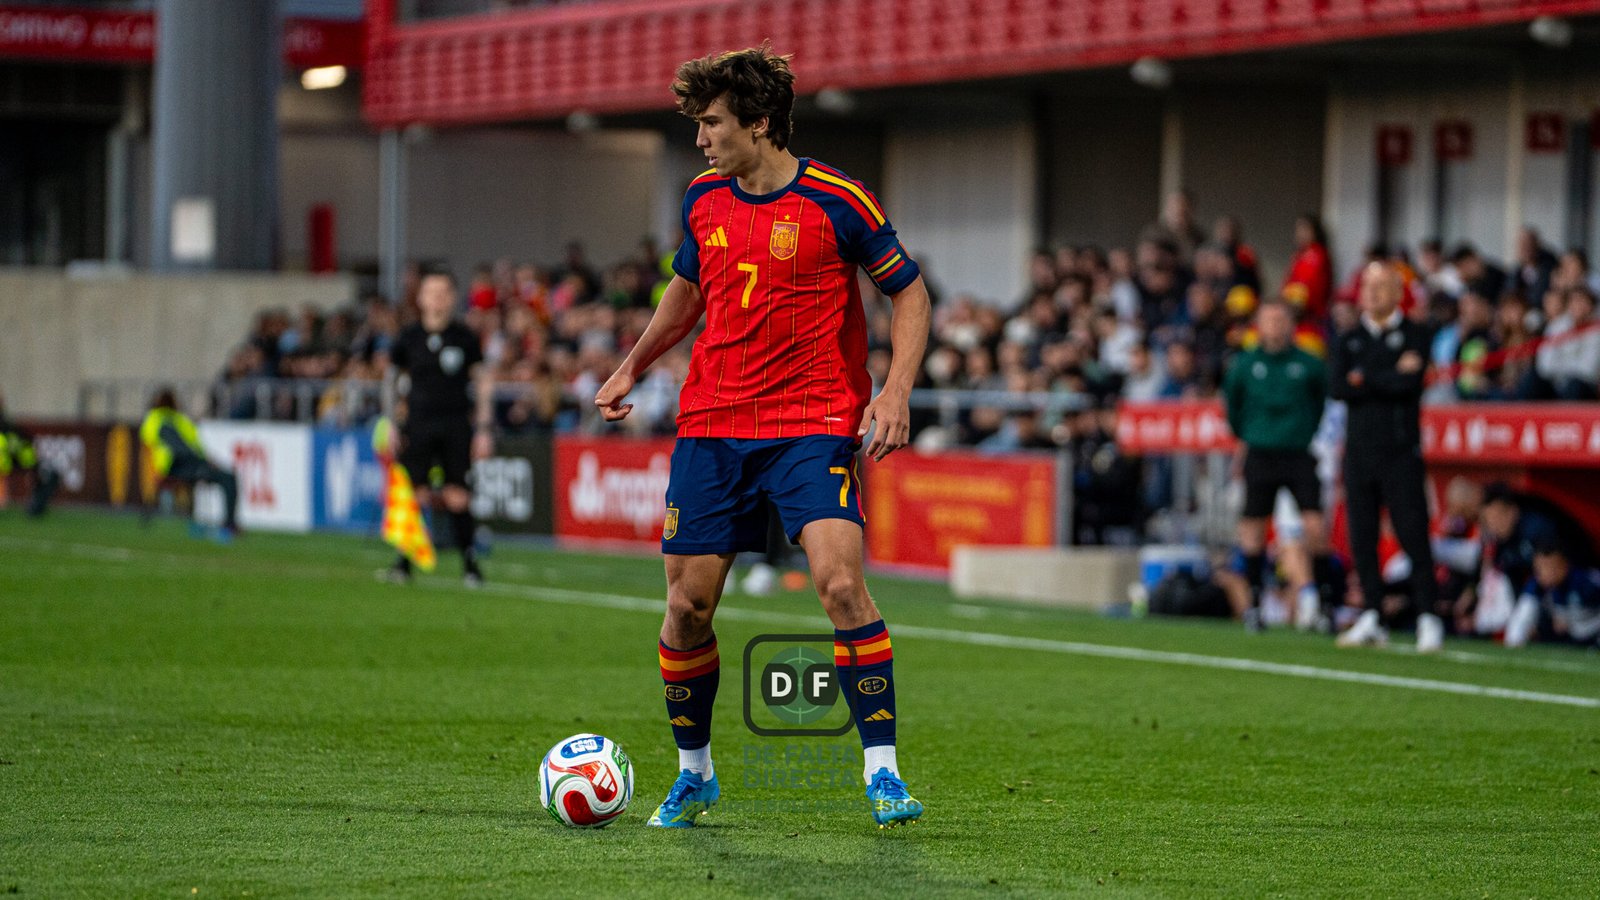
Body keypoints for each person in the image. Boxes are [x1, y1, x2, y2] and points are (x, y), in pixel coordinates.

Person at [593, 45, 930, 830]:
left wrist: (895, 392)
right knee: (687, 607)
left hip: (811, 423)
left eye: (712, 123)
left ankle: (882, 772)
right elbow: (686, 295)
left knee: (839, 585)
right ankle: (695, 775)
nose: (701, 139)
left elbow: (910, 293)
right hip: (713, 424)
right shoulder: (702, 198)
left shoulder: (838, 200)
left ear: (760, 123)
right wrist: (632, 365)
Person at [1329, 262, 1443, 652]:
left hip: (1400, 451)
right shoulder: (1348, 339)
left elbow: (1408, 385)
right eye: (1367, 286)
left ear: (1398, 292)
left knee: (1413, 532)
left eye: (1381, 286)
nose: (1372, 293)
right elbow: (1339, 387)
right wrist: (1386, 375)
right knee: (1362, 536)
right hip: (1359, 452)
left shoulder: (1416, 334)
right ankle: (1372, 614)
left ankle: (1428, 615)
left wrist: (1365, 378)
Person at [1222, 298, 1329, 632]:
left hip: (1297, 453)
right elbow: (1233, 407)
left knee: (1315, 527)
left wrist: (1302, 431)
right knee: (1253, 530)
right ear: (1258, 325)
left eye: (1281, 320)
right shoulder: (1245, 364)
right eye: (1269, 320)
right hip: (1260, 453)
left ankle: (1323, 603)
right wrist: (1250, 433)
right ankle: (1254, 605)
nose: (1275, 326)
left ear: (1291, 324)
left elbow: (1320, 402)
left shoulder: (1309, 364)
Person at [384, 268, 495, 587]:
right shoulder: (409, 337)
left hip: (455, 424)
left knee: (457, 494)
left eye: (444, 292)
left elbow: (483, 381)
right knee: (414, 493)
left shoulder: (465, 337)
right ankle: (404, 563)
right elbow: (391, 381)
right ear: (420, 298)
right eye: (431, 292)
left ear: (453, 298)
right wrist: (390, 422)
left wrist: (484, 428)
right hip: (417, 424)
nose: (437, 298)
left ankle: (470, 565)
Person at [139, 387, 239, 540]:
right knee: (228, 478)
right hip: (175, 467)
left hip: (182, 466)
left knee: (227, 477)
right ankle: (229, 525)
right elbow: (189, 447)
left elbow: (193, 446)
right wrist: (206, 462)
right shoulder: (173, 419)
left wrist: (206, 461)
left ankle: (226, 524)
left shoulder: (156, 419)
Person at [1504, 540, 1600, 649]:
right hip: (1570, 639)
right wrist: (1513, 644)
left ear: (1564, 565)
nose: (1545, 573)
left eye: (1550, 566)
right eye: (1540, 568)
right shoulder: (1536, 586)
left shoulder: (1586, 582)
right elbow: (1521, 619)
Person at [0, 392, 59, 516]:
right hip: (9, 463)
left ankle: (35, 506)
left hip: (17, 462)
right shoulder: (8, 428)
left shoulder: (9, 427)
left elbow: (26, 445)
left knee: (49, 474)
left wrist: (31, 461)